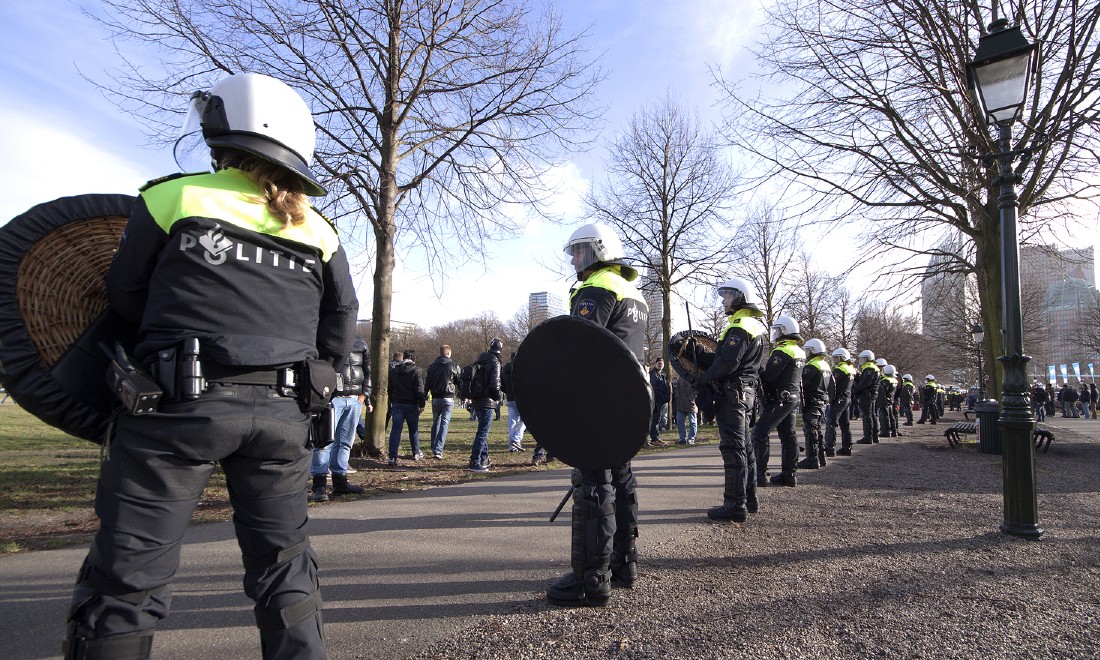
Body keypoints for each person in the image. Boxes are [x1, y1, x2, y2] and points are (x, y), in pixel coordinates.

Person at [64, 73, 357, 659]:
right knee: (286, 572)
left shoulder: (173, 197)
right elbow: (342, 319)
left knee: (131, 573)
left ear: (223, 135)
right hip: (282, 418)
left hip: (177, 408)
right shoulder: (319, 230)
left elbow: (124, 294)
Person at [547, 223, 648, 607]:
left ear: (596, 250)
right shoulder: (634, 292)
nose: (574, 259)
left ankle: (591, 580)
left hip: (597, 399)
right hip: (628, 399)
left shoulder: (598, 286)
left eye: (578, 251)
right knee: (621, 479)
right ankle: (624, 565)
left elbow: (579, 346)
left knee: (593, 483)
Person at [690, 277, 766, 521]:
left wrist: (704, 379)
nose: (723, 300)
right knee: (745, 447)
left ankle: (734, 505)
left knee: (733, 449)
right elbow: (726, 358)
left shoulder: (739, 325)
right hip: (745, 393)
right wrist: (700, 354)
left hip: (733, 395)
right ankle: (749, 499)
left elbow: (728, 362)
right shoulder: (751, 325)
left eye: (728, 295)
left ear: (740, 297)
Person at [310, 335, 371, 502]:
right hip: (333, 398)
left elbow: (367, 369)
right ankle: (319, 485)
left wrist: (365, 393)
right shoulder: (327, 340)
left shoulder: (361, 343)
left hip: (354, 398)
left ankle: (340, 481)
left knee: (345, 442)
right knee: (324, 441)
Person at [751, 315, 806, 487]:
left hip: (780, 398)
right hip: (791, 399)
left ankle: (759, 475)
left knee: (760, 432)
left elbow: (770, 376)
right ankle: (789, 474)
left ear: (785, 331)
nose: (775, 333)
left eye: (778, 330)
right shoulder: (799, 351)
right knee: (788, 436)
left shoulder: (783, 350)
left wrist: (758, 371)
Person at [468, 338, 504, 472]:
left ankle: (483, 457)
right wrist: (499, 397)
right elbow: (495, 384)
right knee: (483, 432)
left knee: (483, 430)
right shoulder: (495, 362)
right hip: (487, 401)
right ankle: (474, 460)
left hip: (477, 399)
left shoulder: (480, 360)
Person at [797, 339, 832, 469]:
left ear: (812, 350)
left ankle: (812, 459)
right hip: (822, 400)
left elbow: (803, 383)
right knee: (817, 429)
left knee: (810, 431)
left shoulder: (812, 366)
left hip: (812, 400)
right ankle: (821, 457)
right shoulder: (825, 365)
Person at [387, 349, 426, 465]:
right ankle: (415, 452)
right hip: (411, 403)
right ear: (414, 359)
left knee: (396, 430)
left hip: (398, 403)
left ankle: (392, 456)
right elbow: (419, 389)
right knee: (413, 429)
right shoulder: (416, 370)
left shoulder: (394, 370)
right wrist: (422, 403)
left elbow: (390, 388)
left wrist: (393, 400)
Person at [424, 344, 461, 459]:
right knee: (444, 422)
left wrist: (424, 397)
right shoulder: (454, 365)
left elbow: (427, 383)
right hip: (448, 397)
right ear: (449, 353)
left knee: (436, 421)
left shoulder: (432, 366)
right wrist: (462, 394)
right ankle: (438, 449)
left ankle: (434, 446)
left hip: (435, 397)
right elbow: (459, 382)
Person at [825, 348, 857, 456]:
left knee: (831, 423)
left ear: (842, 357)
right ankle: (847, 447)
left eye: (836, 358)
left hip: (839, 399)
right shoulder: (850, 369)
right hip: (847, 398)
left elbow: (831, 384)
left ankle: (829, 448)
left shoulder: (839, 369)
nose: (834, 360)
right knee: (845, 425)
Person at [853, 350, 881, 443]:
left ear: (868, 358)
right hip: (871, 394)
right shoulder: (873, 368)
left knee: (867, 416)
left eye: (863, 358)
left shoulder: (869, 368)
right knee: (872, 415)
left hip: (867, 395)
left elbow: (865, 382)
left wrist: (856, 389)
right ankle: (874, 436)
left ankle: (868, 436)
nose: (861, 361)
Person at [501, 351, 526, 452]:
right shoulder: (520, 369)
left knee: (512, 422)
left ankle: (512, 446)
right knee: (525, 421)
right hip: (519, 399)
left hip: (510, 398)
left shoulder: (504, 369)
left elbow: (502, 385)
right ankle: (517, 439)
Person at [648, 358, 671, 446]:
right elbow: (654, 388)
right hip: (656, 400)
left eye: (662, 363)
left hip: (661, 401)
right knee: (655, 419)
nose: (660, 365)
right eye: (659, 363)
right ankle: (654, 438)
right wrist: (662, 397)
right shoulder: (653, 374)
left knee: (658, 419)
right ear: (655, 364)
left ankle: (656, 436)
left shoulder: (662, 374)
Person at [672, 376, 698, 445]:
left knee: (692, 422)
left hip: (691, 404)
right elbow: (677, 388)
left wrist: (692, 398)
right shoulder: (681, 377)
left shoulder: (694, 377)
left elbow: (697, 389)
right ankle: (682, 438)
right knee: (680, 422)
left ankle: (691, 439)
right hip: (681, 404)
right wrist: (677, 397)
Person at [877, 362, 898, 439]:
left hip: (885, 401)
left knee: (884, 416)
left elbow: (883, 392)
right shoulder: (894, 380)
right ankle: (894, 431)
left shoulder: (885, 380)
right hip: (891, 400)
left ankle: (885, 431)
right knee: (891, 416)